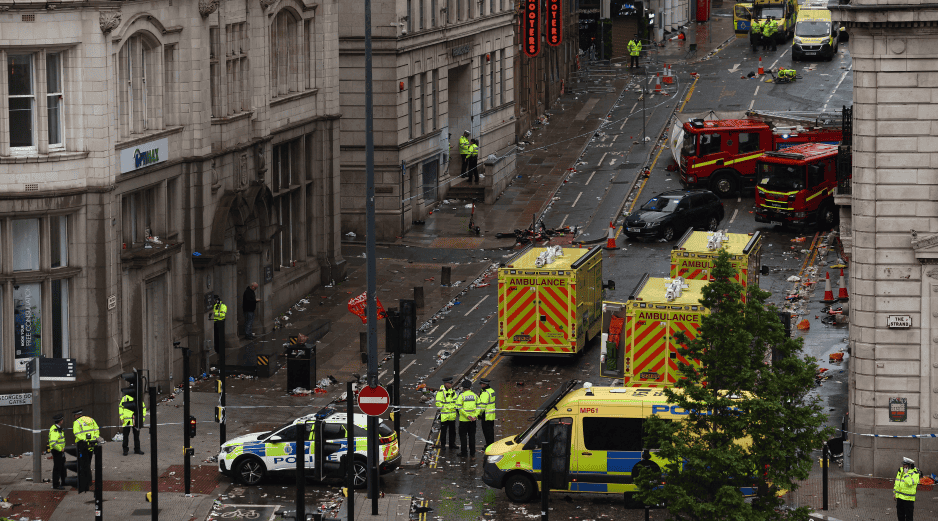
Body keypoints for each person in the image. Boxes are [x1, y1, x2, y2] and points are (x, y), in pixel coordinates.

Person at [72, 409, 100, 493]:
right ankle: (89, 481)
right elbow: (97, 429)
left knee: (82, 465)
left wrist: (85, 440)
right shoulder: (91, 420)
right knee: (88, 463)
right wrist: (94, 438)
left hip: (82, 446)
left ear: (77, 415)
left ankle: (83, 483)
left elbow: (76, 433)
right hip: (91, 446)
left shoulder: (77, 422)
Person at [455, 379, 479, 457]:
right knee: (472, 437)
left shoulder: (461, 396)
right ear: (470, 387)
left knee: (463, 437)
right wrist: (474, 416)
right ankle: (472, 454)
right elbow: (480, 407)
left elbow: (459, 407)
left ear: (463, 388)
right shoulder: (475, 396)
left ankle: (464, 453)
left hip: (464, 420)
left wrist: (467, 416)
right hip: (473, 420)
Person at [119, 391, 147, 455]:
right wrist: (121, 418)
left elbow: (143, 408)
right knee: (125, 436)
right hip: (127, 421)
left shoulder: (137, 398)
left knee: (136, 436)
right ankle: (125, 450)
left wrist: (142, 419)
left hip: (136, 420)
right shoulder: (125, 398)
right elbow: (121, 407)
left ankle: (137, 449)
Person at [895, 456, 921, 521]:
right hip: (899, 497)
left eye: (905, 465)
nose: (903, 466)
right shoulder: (900, 470)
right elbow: (897, 482)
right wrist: (895, 493)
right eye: (903, 464)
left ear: (910, 465)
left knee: (909, 517)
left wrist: (906, 474)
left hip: (908, 499)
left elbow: (910, 483)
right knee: (900, 516)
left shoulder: (915, 473)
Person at [435, 377, 458, 449]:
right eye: (450, 383)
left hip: (452, 415)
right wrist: (446, 407)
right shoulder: (440, 393)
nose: (451, 384)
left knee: (452, 432)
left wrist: (454, 406)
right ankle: (443, 445)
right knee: (443, 432)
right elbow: (438, 404)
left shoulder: (453, 392)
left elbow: (456, 402)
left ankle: (452, 444)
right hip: (444, 415)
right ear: (446, 384)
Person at [48, 413, 66, 490]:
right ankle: (56, 485)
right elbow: (53, 443)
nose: (63, 421)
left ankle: (64, 482)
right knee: (57, 468)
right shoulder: (54, 430)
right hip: (57, 451)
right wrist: (60, 449)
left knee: (63, 467)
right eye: (62, 419)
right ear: (60, 421)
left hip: (60, 451)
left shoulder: (58, 428)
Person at [477, 378, 496, 448]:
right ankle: (490, 444)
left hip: (486, 415)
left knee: (486, 431)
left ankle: (488, 445)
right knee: (491, 431)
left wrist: (479, 414)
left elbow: (482, 405)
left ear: (484, 384)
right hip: (491, 414)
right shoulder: (492, 391)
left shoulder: (485, 393)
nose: (481, 385)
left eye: (481, 384)